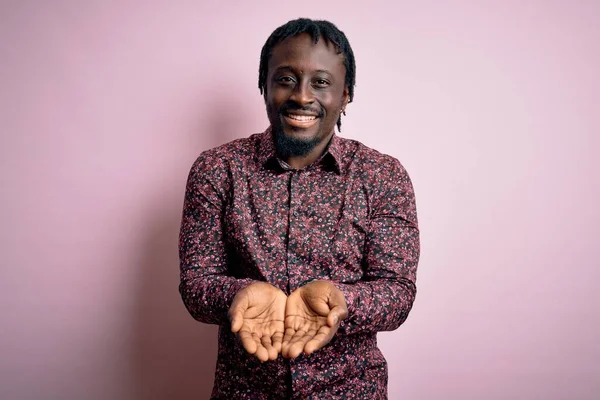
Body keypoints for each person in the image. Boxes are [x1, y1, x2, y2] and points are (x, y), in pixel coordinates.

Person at [179, 17, 420, 399]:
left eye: (321, 82)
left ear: (346, 95)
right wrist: (238, 294)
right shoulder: (217, 170)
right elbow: (196, 282)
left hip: (351, 390)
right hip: (244, 391)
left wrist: (344, 300)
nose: (302, 96)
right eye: (286, 79)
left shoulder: (382, 175)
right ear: (265, 86)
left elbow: (398, 290)